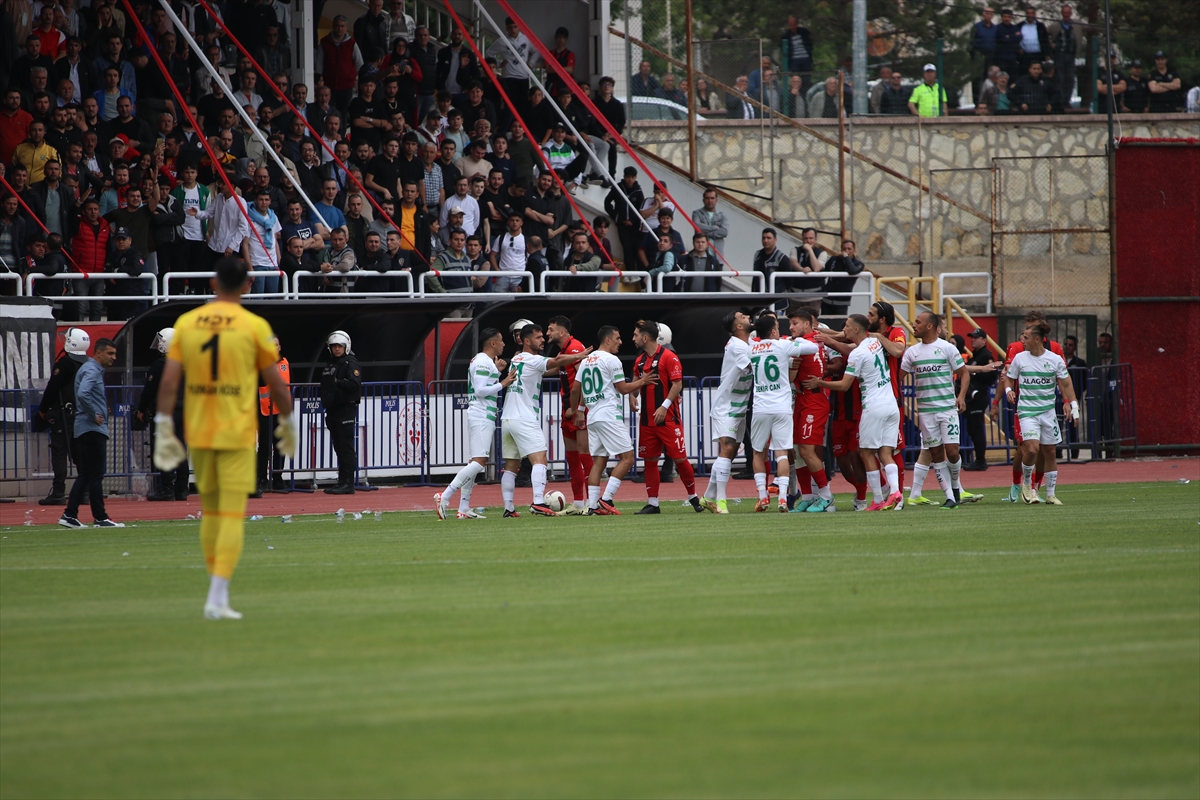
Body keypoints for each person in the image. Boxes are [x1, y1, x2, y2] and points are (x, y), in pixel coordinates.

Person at [150, 257, 295, 620]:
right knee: (230, 514)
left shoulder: (187, 323)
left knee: (210, 513)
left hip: (200, 431)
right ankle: (217, 595)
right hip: (237, 431)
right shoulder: (253, 325)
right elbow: (275, 381)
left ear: (214, 284)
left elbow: (168, 382)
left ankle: (214, 593)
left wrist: (164, 425)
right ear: (247, 286)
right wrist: (287, 421)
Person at [805, 314, 902, 511]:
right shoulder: (875, 342)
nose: (844, 330)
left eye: (847, 327)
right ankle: (895, 492)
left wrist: (819, 382)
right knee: (885, 452)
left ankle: (877, 500)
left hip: (873, 407)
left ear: (856, 329)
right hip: (891, 404)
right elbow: (847, 344)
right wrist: (829, 338)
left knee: (865, 453)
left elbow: (843, 385)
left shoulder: (858, 354)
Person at [500, 322, 591, 516]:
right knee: (540, 459)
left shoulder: (518, 359)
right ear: (526, 341)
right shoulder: (534, 360)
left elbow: (550, 369)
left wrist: (564, 366)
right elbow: (556, 362)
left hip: (507, 418)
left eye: (543, 336)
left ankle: (508, 508)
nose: (542, 340)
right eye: (538, 337)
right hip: (524, 418)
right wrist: (579, 357)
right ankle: (538, 502)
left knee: (511, 466)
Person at [434, 328, 516, 519]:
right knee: (479, 463)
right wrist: (504, 382)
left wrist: (497, 372)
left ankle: (463, 508)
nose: (504, 344)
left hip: (482, 415)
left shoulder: (485, 362)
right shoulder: (481, 361)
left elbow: (483, 384)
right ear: (493, 343)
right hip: (481, 416)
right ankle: (444, 496)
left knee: (475, 461)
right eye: (501, 340)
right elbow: (480, 390)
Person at [572, 326, 654, 515]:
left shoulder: (585, 361)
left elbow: (577, 388)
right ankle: (606, 499)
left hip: (592, 417)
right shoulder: (611, 360)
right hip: (608, 415)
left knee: (599, 461)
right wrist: (643, 381)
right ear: (607, 340)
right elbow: (623, 388)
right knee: (628, 458)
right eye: (617, 338)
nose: (620, 341)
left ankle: (592, 506)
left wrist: (579, 410)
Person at [745, 314, 819, 512]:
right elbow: (813, 347)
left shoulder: (751, 347)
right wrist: (796, 340)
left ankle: (762, 497)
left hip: (761, 407)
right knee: (782, 453)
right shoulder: (783, 345)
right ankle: (783, 499)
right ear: (774, 331)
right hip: (782, 407)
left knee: (758, 453)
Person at [898, 312, 970, 509]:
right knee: (936, 454)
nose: (914, 325)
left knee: (952, 453)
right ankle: (950, 497)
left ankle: (955, 487)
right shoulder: (912, 352)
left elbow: (963, 373)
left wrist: (961, 396)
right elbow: (898, 377)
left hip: (947, 409)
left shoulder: (947, 348)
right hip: (926, 412)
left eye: (918, 322)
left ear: (930, 326)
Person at [992, 310, 1066, 500]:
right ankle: (1018, 485)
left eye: (1030, 327)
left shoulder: (1055, 350)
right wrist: (997, 401)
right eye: (1025, 327)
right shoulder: (1017, 347)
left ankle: (1036, 489)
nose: (1025, 333)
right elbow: (1006, 376)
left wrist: (1067, 401)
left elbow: (1063, 379)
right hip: (1024, 406)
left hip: (1046, 407)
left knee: (1045, 450)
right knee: (1025, 448)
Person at [629, 319, 701, 514]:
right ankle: (653, 503)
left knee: (679, 459)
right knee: (650, 460)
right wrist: (631, 396)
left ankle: (693, 497)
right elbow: (635, 382)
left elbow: (677, 384)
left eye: (636, 335)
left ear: (645, 337)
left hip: (668, 419)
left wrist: (664, 406)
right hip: (647, 421)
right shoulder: (640, 360)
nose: (633, 338)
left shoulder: (669, 357)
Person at [1003, 321, 1079, 504]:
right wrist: (1008, 391)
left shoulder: (1054, 359)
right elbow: (1008, 378)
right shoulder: (1020, 358)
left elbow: (1066, 383)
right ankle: (1027, 486)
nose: (1023, 340)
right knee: (1031, 449)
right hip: (1027, 412)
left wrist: (1074, 407)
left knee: (1050, 452)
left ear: (1037, 339)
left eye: (1026, 337)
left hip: (1048, 413)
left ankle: (1051, 494)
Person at [58, 337, 124, 529]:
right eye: (110, 353)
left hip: (84, 427)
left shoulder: (88, 369)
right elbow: (83, 394)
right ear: (98, 352)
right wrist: (93, 414)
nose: (114, 357)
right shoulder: (92, 370)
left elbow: (86, 394)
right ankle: (100, 517)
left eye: (115, 354)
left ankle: (70, 514)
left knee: (86, 474)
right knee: (95, 474)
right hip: (91, 427)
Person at [698, 311, 753, 514]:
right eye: (742, 316)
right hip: (727, 406)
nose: (747, 316)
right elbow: (753, 365)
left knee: (728, 453)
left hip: (740, 405)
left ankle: (708, 497)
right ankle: (721, 501)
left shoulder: (748, 342)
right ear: (738, 326)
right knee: (728, 449)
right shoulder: (738, 346)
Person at [784, 308, 834, 513]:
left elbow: (789, 378)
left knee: (806, 450)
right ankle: (807, 496)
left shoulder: (806, 343)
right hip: (803, 399)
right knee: (797, 451)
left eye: (795, 323)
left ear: (807, 324)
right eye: (790, 323)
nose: (791, 327)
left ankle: (826, 496)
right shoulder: (814, 339)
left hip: (814, 400)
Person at [36, 327, 89, 506]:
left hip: (64, 415)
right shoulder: (88, 363)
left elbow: (52, 388)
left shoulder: (65, 364)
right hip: (81, 415)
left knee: (59, 453)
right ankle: (84, 491)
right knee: (80, 453)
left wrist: (43, 408)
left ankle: (59, 491)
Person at [546, 317, 594, 512]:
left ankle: (593, 501)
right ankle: (578, 503)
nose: (548, 333)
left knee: (584, 455)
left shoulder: (574, 348)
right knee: (573, 457)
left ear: (562, 332)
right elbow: (553, 368)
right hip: (567, 411)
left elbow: (584, 381)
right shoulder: (565, 351)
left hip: (577, 411)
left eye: (550, 329)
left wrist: (579, 409)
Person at [137, 328, 190, 501]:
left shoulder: (161, 365)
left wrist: (141, 409)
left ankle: (166, 488)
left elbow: (149, 391)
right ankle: (182, 489)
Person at [825, 348, 870, 511]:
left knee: (856, 456)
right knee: (842, 462)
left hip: (855, 415)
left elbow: (842, 380)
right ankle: (865, 488)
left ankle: (862, 497)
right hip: (838, 417)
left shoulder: (856, 354)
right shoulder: (835, 356)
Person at [319, 330, 362, 494]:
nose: (336, 349)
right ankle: (342, 481)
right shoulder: (330, 364)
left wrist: (338, 382)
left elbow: (355, 383)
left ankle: (348, 483)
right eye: (334, 346)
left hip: (345, 409)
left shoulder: (350, 363)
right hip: (333, 409)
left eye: (339, 346)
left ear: (346, 346)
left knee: (346, 447)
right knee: (338, 446)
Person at [963, 328, 1001, 470]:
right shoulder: (975, 356)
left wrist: (976, 379)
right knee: (972, 429)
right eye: (972, 337)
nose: (972, 339)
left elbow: (991, 376)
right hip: (971, 397)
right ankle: (978, 459)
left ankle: (980, 460)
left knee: (977, 428)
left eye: (976, 337)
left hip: (979, 396)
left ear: (984, 340)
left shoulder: (985, 356)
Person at [256, 337, 290, 495]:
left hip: (281, 412)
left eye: (275, 345)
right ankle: (261, 479)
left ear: (280, 346)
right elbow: (261, 383)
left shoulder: (285, 363)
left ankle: (277, 478)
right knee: (264, 447)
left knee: (280, 446)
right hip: (265, 410)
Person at [1046, 5, 1082, 107]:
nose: (1066, 14)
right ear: (1062, 13)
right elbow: (1044, 33)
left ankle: (1067, 100)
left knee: (1070, 79)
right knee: (1059, 78)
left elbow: (1090, 27)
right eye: (1064, 13)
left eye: (1068, 13)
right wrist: (1050, 43)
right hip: (1059, 55)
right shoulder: (1056, 25)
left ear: (1070, 14)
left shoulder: (1076, 24)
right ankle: (1060, 100)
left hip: (1071, 55)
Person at [691, 188, 728, 263]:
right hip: (701, 256)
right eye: (707, 198)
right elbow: (697, 226)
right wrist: (715, 228)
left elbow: (724, 232)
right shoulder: (697, 213)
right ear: (703, 200)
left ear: (716, 200)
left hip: (718, 258)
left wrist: (705, 233)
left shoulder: (722, 215)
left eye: (712, 198)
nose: (710, 201)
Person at [781, 16, 815, 94]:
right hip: (794, 59)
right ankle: (795, 93)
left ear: (797, 24)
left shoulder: (804, 32)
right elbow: (784, 49)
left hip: (805, 58)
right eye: (790, 25)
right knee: (795, 79)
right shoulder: (786, 36)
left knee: (806, 79)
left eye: (794, 24)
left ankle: (805, 93)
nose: (792, 27)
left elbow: (810, 44)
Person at [1016, 5, 1050, 78]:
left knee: (1037, 75)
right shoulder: (1020, 26)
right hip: (1024, 56)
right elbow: (1015, 40)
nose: (1030, 15)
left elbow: (1045, 40)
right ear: (1026, 14)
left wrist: (1047, 54)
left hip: (1038, 55)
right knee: (1024, 76)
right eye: (1028, 13)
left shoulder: (1040, 26)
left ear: (1035, 14)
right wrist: (1018, 49)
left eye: (1032, 13)